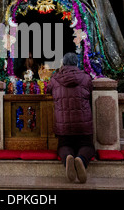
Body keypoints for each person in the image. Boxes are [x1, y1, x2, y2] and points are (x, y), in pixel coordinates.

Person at [45, 52, 95, 183]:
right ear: (76, 63)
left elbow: (47, 89)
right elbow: (91, 90)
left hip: (63, 124)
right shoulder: (85, 77)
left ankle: (68, 158)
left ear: (63, 64)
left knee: (64, 145)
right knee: (87, 146)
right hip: (83, 123)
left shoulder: (55, 79)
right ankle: (81, 160)